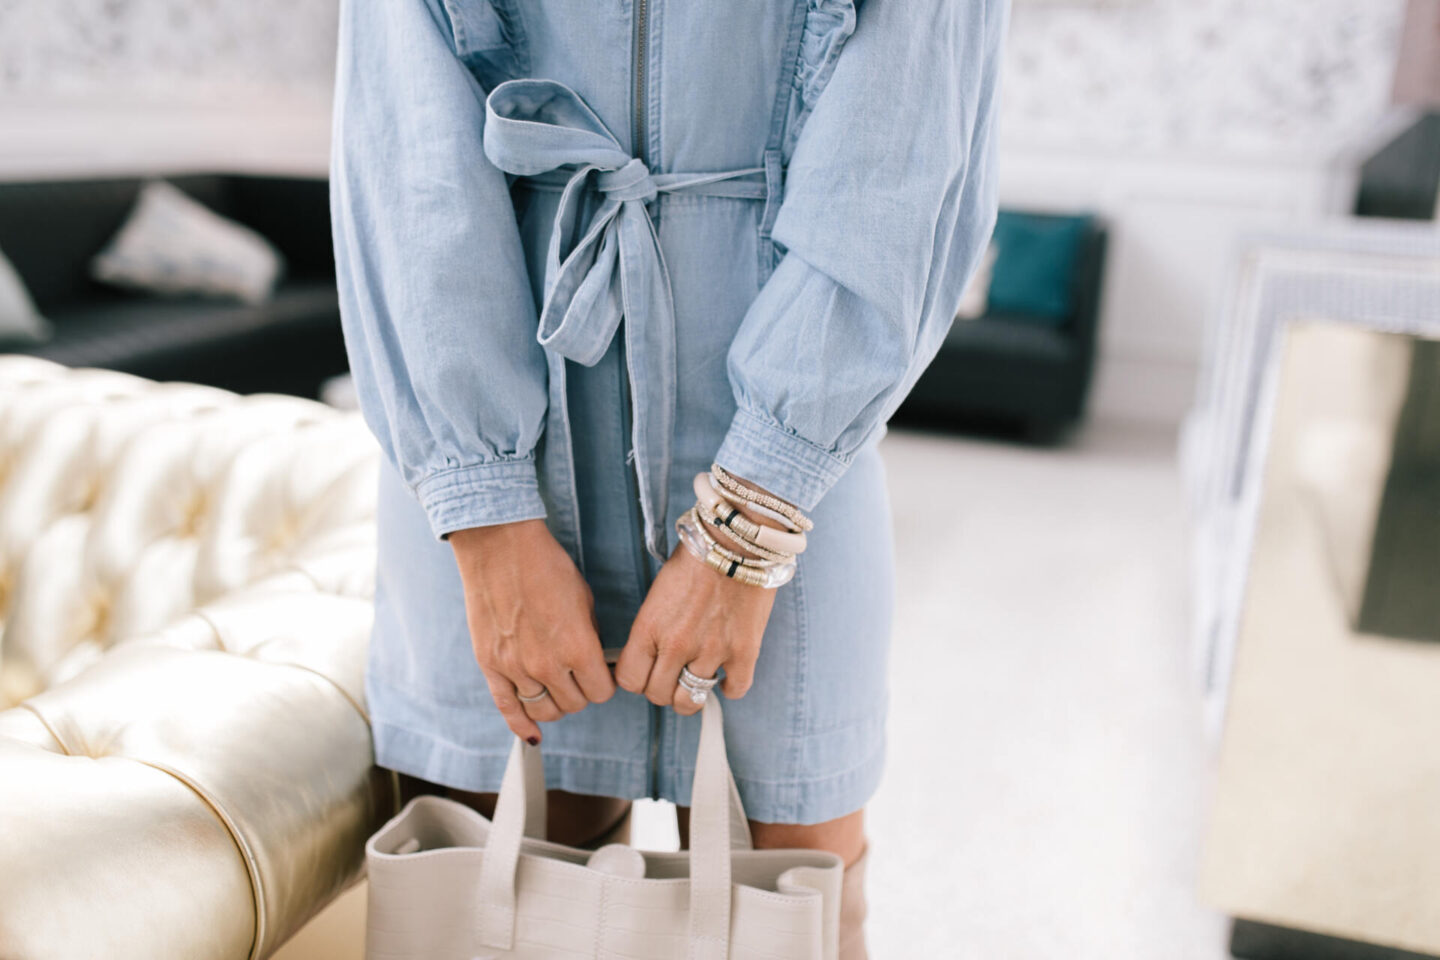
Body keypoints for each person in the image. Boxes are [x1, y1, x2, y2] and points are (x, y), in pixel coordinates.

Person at [329, 0, 1007, 954]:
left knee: (790, 888)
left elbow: (904, 149)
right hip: (497, 448)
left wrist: (750, 523)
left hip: (797, 466)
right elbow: (406, 152)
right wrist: (485, 516)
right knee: (492, 885)